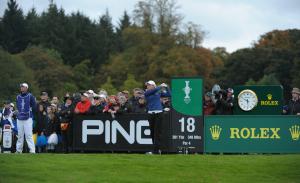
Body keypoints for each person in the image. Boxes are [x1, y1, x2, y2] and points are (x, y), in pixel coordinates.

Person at [144, 80, 171, 154]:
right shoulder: (146, 92)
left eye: (149, 85)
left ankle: (156, 150)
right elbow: (153, 91)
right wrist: (160, 86)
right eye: (147, 85)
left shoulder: (158, 92)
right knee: (152, 132)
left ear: (153, 85)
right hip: (150, 114)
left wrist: (166, 87)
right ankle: (156, 149)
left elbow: (169, 94)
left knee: (157, 133)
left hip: (159, 113)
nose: (147, 86)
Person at [15, 83, 36, 153]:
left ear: (27, 88)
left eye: (23, 87)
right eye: (21, 87)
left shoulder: (30, 96)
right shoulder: (18, 97)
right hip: (19, 118)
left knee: (29, 135)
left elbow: (34, 106)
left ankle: (32, 150)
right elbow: (17, 106)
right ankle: (18, 150)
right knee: (20, 135)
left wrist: (31, 113)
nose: (22, 88)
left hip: (28, 118)